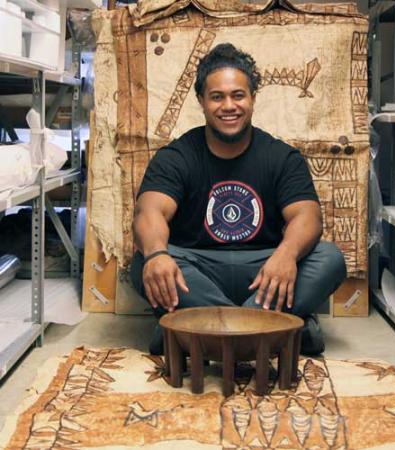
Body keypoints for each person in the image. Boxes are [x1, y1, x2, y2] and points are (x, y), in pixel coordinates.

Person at [131, 43, 347, 356]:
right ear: (202, 102)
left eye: (238, 95)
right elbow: (149, 212)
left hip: (265, 268)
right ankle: (280, 332)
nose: (228, 106)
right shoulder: (176, 157)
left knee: (328, 258)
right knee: (144, 261)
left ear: (253, 99)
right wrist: (155, 254)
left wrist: (286, 254)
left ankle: (191, 333)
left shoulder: (280, 156)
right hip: (196, 268)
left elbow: (308, 216)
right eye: (217, 96)